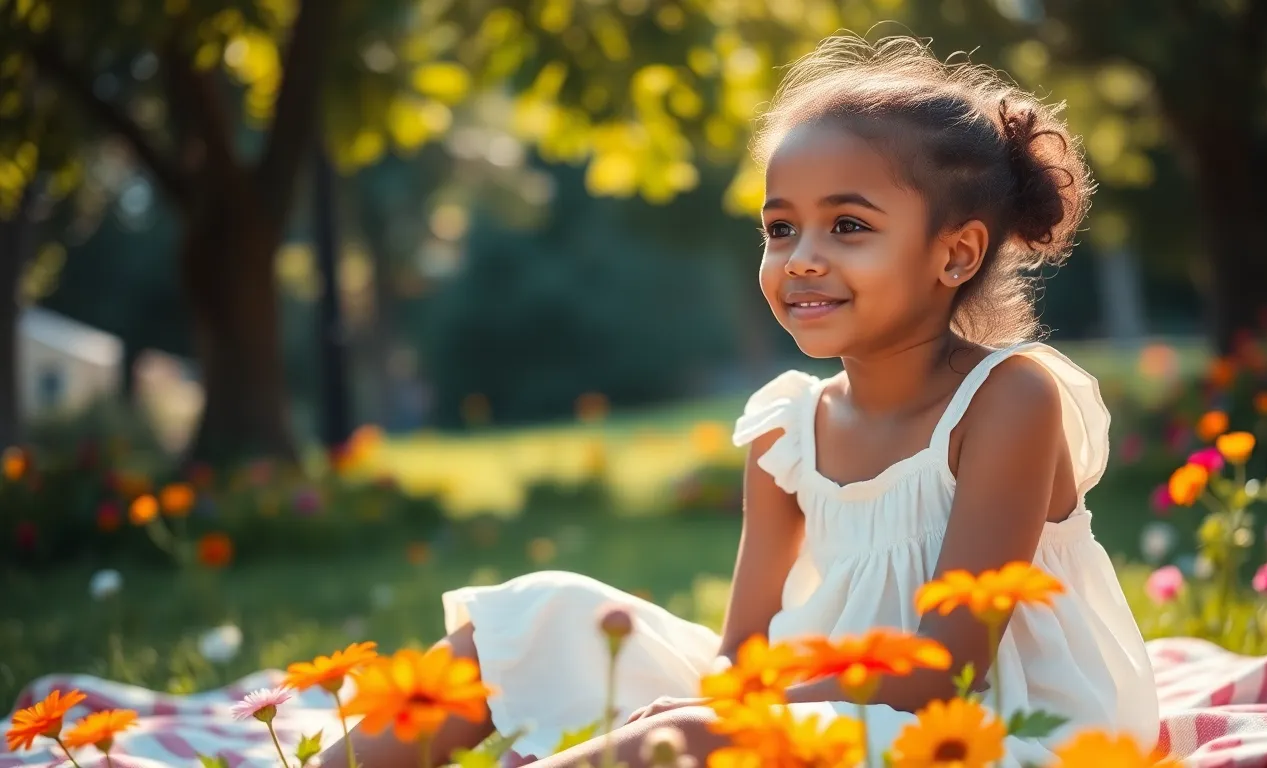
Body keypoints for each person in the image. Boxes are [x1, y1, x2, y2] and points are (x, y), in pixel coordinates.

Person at [321, 33, 1159, 767]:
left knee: (694, 741)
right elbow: (741, 657)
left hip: (982, 730)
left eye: (850, 226)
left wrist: (718, 720)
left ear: (955, 254)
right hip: (815, 704)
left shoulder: (1008, 400)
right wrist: (717, 701)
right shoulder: (788, 428)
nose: (801, 257)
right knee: (541, 616)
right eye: (780, 227)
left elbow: (951, 669)